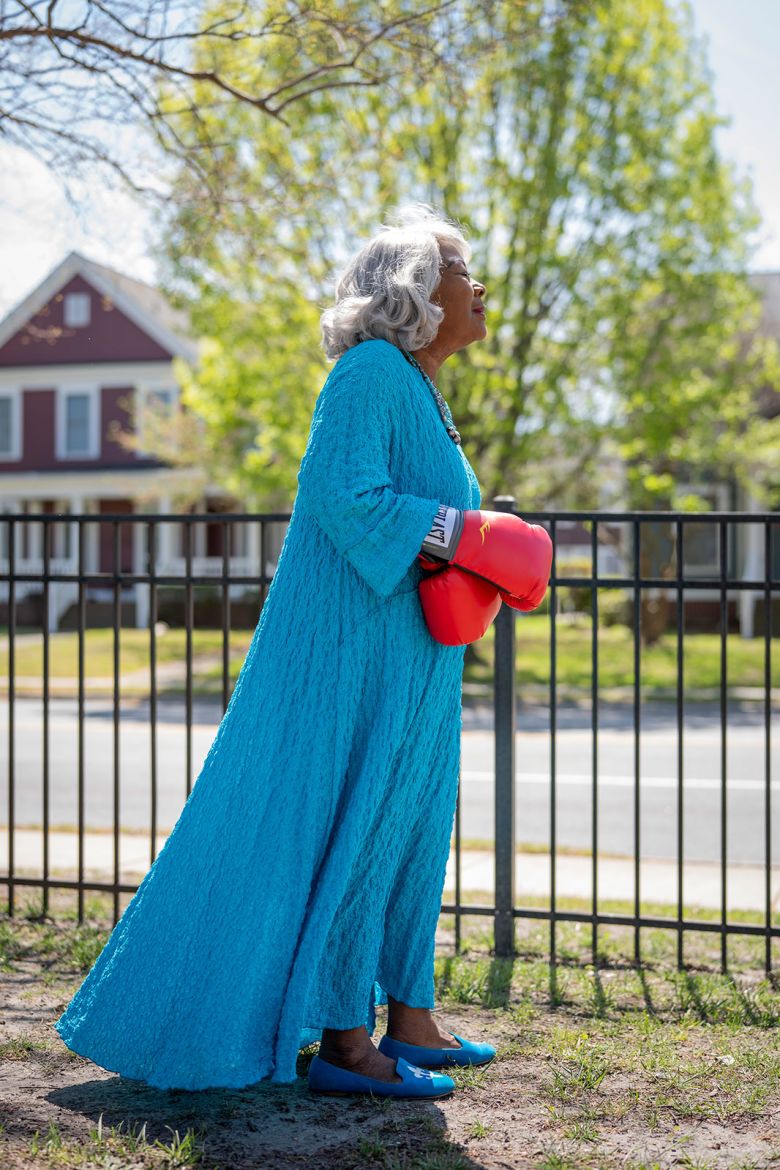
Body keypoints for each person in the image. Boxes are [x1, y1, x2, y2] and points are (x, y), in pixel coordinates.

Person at [54, 203, 552, 1101]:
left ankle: (412, 1018)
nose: (477, 286)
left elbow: (425, 525)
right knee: (358, 830)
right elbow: (345, 498)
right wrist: (470, 530)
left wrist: (481, 543)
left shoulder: (421, 389)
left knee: (410, 833)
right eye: (458, 268)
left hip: (417, 660)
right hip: (353, 660)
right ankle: (346, 1046)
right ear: (413, 290)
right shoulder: (366, 374)